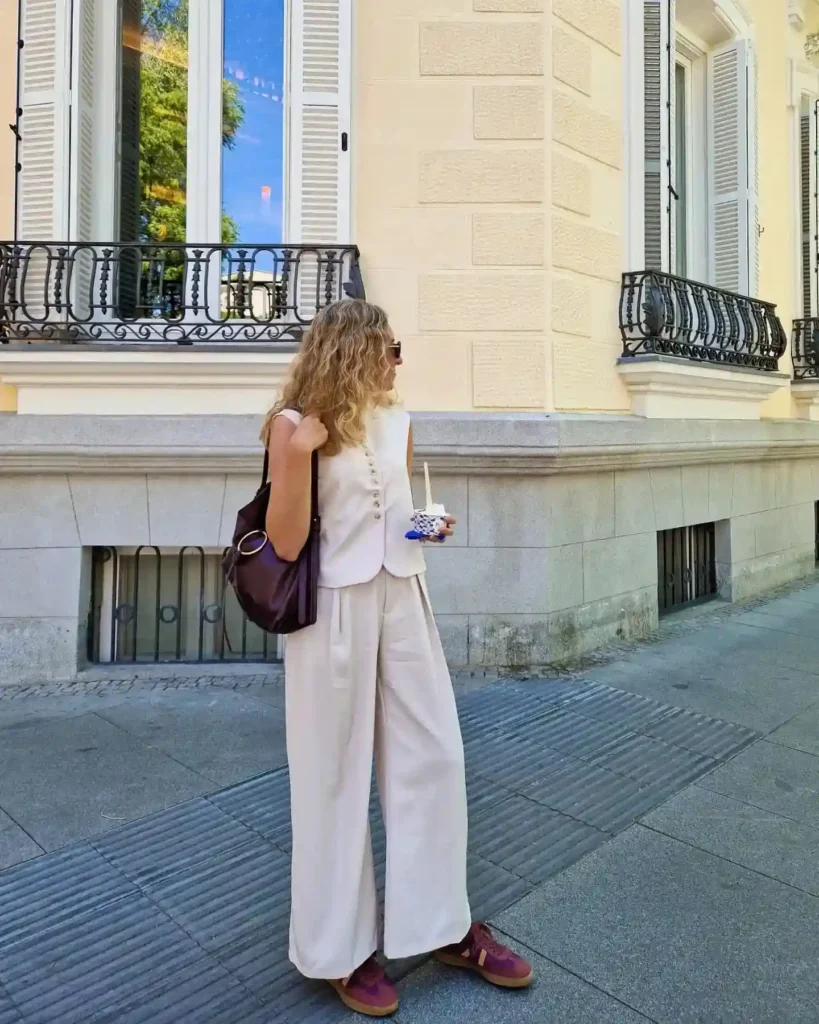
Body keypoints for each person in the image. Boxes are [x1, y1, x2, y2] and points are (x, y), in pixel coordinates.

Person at [262, 299, 533, 1017]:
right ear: (352, 348)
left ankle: (443, 925)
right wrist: (296, 454)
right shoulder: (291, 427)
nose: (396, 360)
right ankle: (339, 950)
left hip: (403, 603)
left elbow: (396, 523)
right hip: (332, 614)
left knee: (436, 757)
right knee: (333, 778)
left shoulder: (396, 423)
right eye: (389, 347)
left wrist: (428, 526)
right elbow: (284, 543)